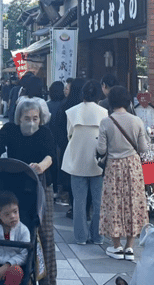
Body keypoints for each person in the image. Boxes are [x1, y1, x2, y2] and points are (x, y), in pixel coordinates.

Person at [0, 98, 57, 285]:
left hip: (40, 185)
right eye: (27, 118)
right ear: (19, 117)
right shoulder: (10, 130)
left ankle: (48, 279)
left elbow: (51, 155)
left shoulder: (44, 133)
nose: (31, 122)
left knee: (45, 233)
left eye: (35, 118)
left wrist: (41, 166)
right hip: (14, 184)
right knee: (15, 228)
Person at [98, 85, 149, 261]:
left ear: (110, 102)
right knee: (132, 203)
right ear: (127, 101)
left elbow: (101, 149)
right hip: (133, 167)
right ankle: (129, 248)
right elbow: (143, 149)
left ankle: (116, 246)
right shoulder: (137, 121)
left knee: (114, 204)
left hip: (114, 167)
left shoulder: (106, 122)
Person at [62, 80, 107, 245]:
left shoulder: (73, 111)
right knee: (98, 201)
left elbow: (69, 134)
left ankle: (80, 237)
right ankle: (97, 236)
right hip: (97, 161)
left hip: (77, 159)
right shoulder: (103, 112)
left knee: (79, 201)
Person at [51, 78, 85, 213]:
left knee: (72, 177)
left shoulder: (65, 106)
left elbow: (58, 128)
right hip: (84, 150)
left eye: (68, 88)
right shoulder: (88, 108)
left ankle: (73, 205)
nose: (65, 90)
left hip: (68, 146)